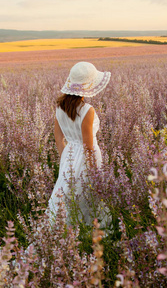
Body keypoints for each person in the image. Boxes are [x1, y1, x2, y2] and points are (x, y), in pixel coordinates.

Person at [47, 62, 111, 227]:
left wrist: (66, 159)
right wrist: (94, 175)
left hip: (68, 155)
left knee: (66, 194)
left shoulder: (60, 107)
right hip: (86, 157)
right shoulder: (87, 110)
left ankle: (66, 230)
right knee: (87, 194)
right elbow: (88, 147)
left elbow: (58, 137)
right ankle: (89, 230)